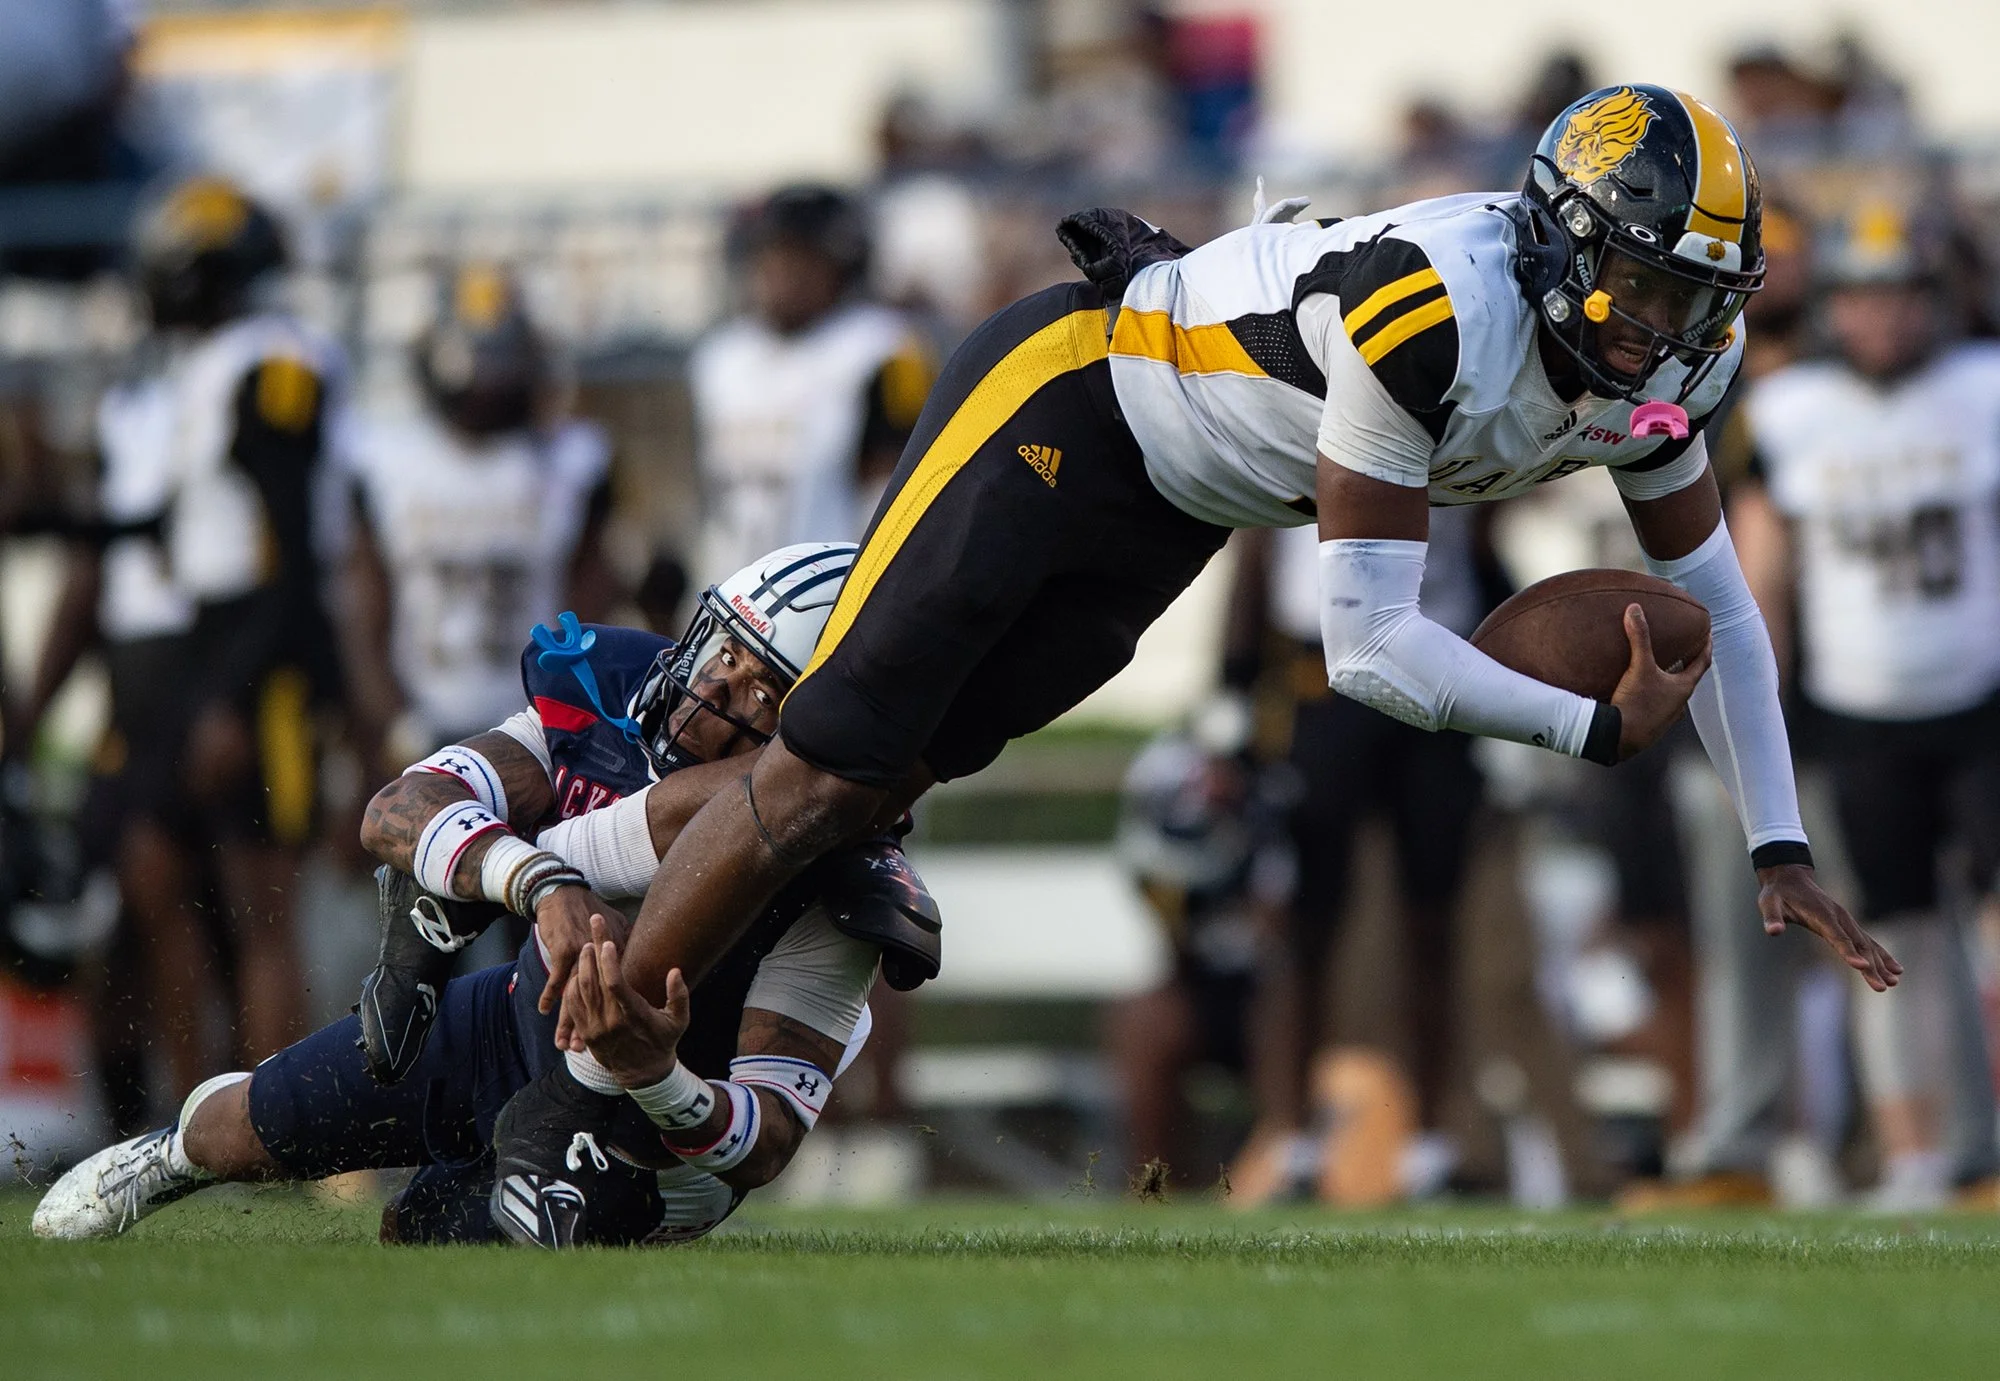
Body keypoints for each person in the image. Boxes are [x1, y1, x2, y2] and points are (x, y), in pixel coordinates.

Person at [502, 85, 1899, 1208]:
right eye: (1640, 287)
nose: (1663, 331)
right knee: (820, 767)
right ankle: (566, 1103)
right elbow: (1368, 647)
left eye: (1692, 300)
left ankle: (581, 928)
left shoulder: (1676, 369)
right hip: (1069, 395)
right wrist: (1588, 728)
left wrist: (1776, 843)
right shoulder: (1434, 307)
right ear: (1559, 243)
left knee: (875, 794)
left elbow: (1718, 607)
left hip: (1176, 507)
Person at [32, 542, 944, 1247]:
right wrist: (538, 879)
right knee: (241, 1130)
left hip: (647, 1151)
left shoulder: (845, 883)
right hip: (511, 1019)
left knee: (425, 1232)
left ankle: (453, 909)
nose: (713, 691)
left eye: (761, 694)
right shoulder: (612, 695)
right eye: (725, 653)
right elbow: (401, 806)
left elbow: (768, 1140)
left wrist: (657, 1075)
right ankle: (166, 1153)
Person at [17, 174, 345, 1101]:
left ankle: (278, 1126)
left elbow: (286, 550)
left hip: (256, 649)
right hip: (198, 639)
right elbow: (174, 523)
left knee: (258, 906)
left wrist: (236, 694)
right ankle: (194, 1128)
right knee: (162, 886)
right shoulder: (199, 373)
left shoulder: (271, 362)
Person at [1735, 200, 2000, 1210]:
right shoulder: (1790, 407)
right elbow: (1762, 577)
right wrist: (1754, 715)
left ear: (1934, 301)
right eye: (1861, 297)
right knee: (1889, 939)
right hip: (1857, 712)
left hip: (1980, 699)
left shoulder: (1980, 387)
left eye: (1898, 296)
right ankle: (1912, 1157)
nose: (1880, 318)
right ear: (1832, 306)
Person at [340, 263, 620, 774]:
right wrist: (392, 720)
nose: (489, 391)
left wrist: (565, 717)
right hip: (418, 711)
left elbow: (591, 608)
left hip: (532, 724)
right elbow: (366, 611)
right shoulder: (387, 462)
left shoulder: (571, 461)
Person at [690, 184, 935, 584]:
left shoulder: (884, 349)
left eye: (798, 258)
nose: (779, 274)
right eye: (769, 256)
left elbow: (896, 489)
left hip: (831, 591)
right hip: (727, 590)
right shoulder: (722, 358)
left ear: (839, 266)